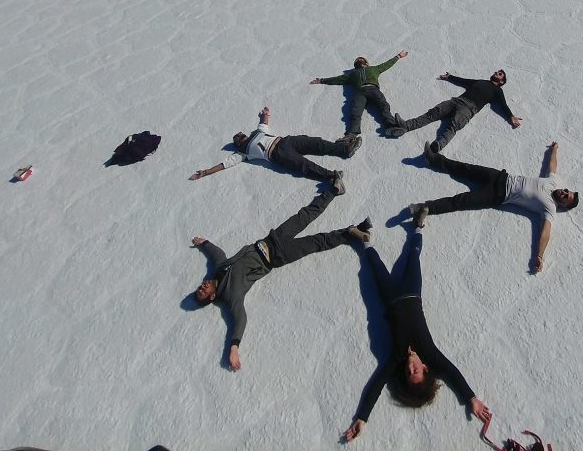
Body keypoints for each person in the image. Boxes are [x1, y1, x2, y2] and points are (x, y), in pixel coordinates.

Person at [192, 190, 372, 372]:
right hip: (278, 256)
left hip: (272, 239)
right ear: (213, 296)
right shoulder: (231, 296)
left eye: (199, 287)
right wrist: (234, 348)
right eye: (203, 292)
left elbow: (217, 254)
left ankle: (333, 190)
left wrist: (204, 243)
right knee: (318, 242)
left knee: (304, 215)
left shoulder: (219, 268)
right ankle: (351, 232)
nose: (202, 286)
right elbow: (240, 319)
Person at [342, 228, 492, 442]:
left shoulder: (396, 358)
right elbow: (452, 372)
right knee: (413, 255)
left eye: (408, 372)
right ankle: (419, 226)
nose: (410, 367)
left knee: (375, 266)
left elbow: (376, 384)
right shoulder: (430, 354)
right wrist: (472, 398)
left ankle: (365, 241)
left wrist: (362, 418)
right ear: (425, 368)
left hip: (390, 297)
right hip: (413, 290)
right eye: (416, 371)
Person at [411, 141, 578, 273]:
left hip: (497, 196)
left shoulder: (549, 208)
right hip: (499, 176)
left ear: (563, 205)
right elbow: (552, 166)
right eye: (566, 191)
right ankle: (432, 159)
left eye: (565, 197)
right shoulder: (554, 182)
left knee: (461, 201)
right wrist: (554, 150)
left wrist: (540, 255)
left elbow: (545, 233)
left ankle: (425, 208)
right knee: (464, 168)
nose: (563, 192)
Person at [189, 106, 360, 195]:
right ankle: (331, 176)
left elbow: (264, 122)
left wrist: (265, 113)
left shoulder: (257, 132)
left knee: (316, 143)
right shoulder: (243, 153)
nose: (240, 135)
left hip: (287, 141)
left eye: (240, 133)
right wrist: (205, 172)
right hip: (278, 154)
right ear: (238, 143)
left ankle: (343, 149)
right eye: (237, 137)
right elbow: (224, 164)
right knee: (304, 166)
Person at [386, 69, 521, 150]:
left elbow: (503, 105)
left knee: (453, 126)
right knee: (431, 114)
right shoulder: (481, 81)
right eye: (497, 72)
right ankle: (406, 125)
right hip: (456, 101)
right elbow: (464, 81)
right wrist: (450, 77)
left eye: (499, 74)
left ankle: (439, 145)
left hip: (468, 109)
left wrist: (511, 116)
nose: (496, 73)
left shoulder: (497, 91)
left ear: (502, 81)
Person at [310, 51, 409, 139]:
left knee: (383, 106)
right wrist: (322, 80)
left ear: (366, 63)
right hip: (360, 93)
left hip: (373, 89)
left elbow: (386, 64)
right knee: (356, 111)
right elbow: (337, 79)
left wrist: (398, 56)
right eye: (358, 60)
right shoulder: (352, 75)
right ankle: (352, 133)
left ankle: (391, 126)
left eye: (361, 59)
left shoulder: (374, 69)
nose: (360, 60)